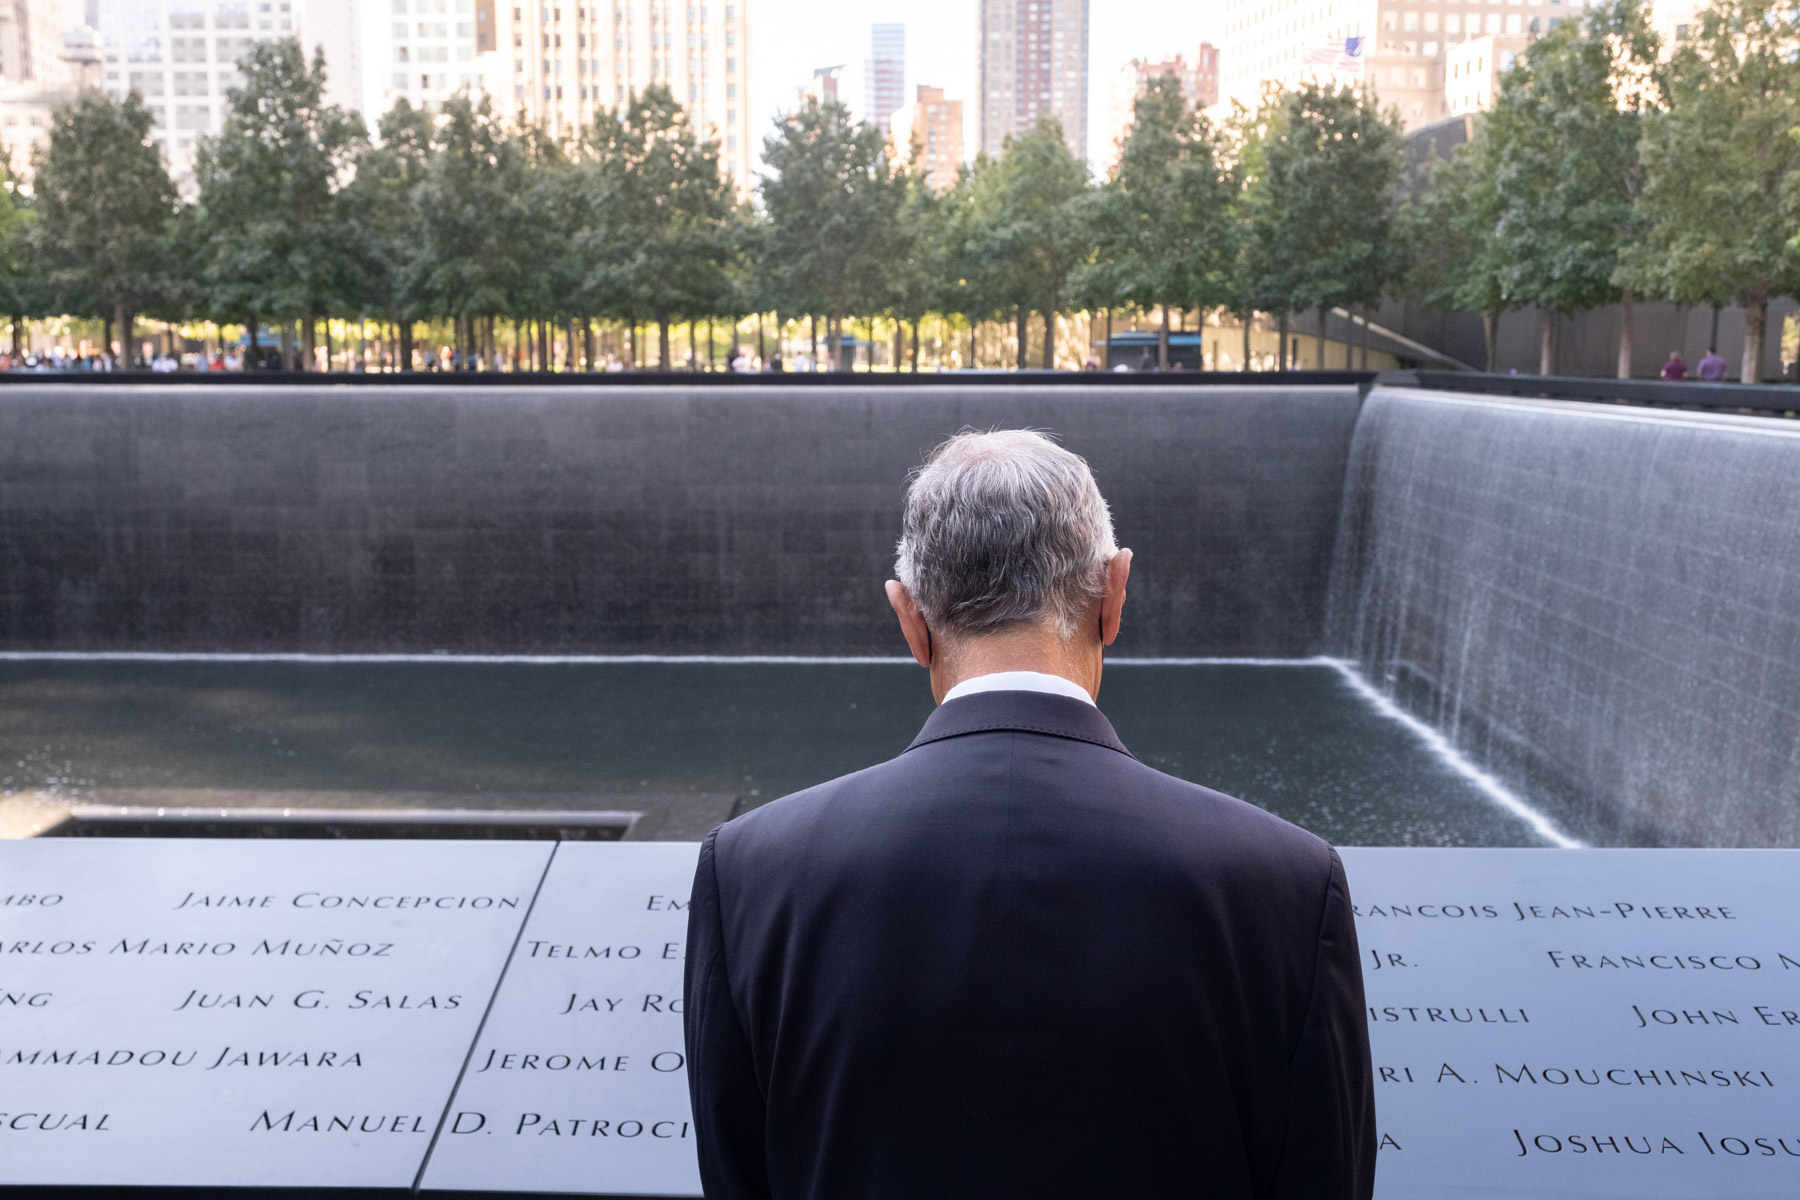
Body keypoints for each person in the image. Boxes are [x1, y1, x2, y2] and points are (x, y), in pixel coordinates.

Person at [685, 430, 1376, 1200]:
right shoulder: (1285, 880)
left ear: (909, 619)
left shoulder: (751, 872)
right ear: (1114, 595)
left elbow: (738, 1176)